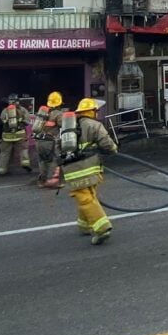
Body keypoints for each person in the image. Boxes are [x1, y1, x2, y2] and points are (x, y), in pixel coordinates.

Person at [60, 98, 119, 245]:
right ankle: (102, 228)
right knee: (88, 198)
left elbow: (58, 148)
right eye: (95, 111)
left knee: (85, 198)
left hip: (72, 170)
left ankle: (84, 225)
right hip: (91, 168)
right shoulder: (94, 125)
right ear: (91, 111)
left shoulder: (67, 128)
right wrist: (113, 150)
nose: (97, 113)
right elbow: (106, 143)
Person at [33, 91, 64, 189]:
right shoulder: (58, 114)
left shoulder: (42, 113)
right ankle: (53, 181)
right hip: (50, 142)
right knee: (54, 160)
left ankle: (41, 181)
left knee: (42, 161)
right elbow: (64, 125)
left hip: (39, 141)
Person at [0, 95, 32, 175]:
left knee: (4, 153)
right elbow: (27, 122)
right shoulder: (23, 109)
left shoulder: (5, 110)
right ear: (18, 101)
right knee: (23, 149)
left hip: (6, 136)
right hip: (19, 134)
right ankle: (25, 163)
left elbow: (2, 120)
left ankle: (2, 169)